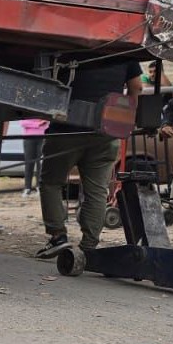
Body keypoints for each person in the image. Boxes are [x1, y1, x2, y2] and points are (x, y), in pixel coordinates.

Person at [35, 59, 143, 257]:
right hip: (106, 129)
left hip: (67, 127)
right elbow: (137, 86)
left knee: (51, 183)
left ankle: (58, 237)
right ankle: (89, 245)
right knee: (97, 191)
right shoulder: (125, 50)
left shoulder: (74, 44)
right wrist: (128, 116)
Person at [20, 118, 48, 197]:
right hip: (29, 138)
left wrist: (33, 124)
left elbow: (46, 123)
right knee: (29, 163)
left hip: (42, 137)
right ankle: (27, 188)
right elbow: (23, 123)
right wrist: (37, 124)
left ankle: (39, 187)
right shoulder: (27, 109)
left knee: (41, 163)